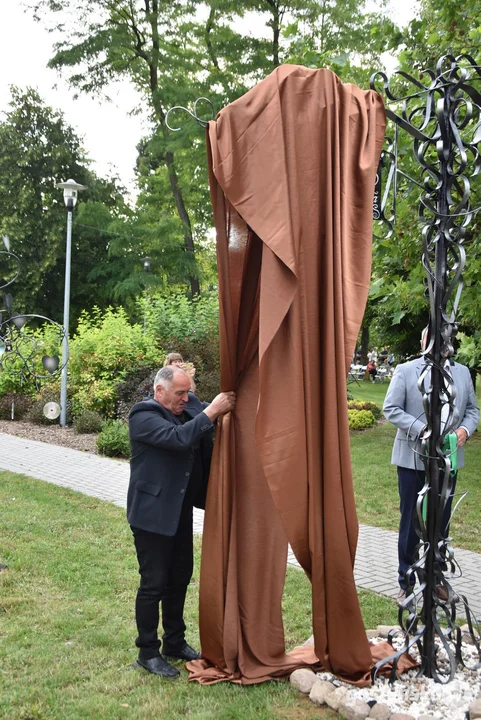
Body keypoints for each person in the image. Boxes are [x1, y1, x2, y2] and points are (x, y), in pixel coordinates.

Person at [127, 365, 236, 677]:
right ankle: (147, 652)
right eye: (180, 393)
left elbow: (208, 422)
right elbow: (178, 439)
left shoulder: (186, 406)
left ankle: (174, 642)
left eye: (188, 392)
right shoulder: (142, 415)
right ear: (159, 391)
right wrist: (213, 410)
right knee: (153, 583)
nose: (185, 398)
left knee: (179, 577)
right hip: (151, 515)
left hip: (178, 512)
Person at [383, 328, 479, 605]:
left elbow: (473, 409)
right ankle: (407, 581)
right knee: (412, 522)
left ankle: (436, 579)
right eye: (432, 338)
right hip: (413, 459)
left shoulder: (462, 372)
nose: (439, 344)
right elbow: (391, 408)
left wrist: (464, 430)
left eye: (444, 339)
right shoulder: (406, 370)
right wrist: (421, 429)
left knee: (441, 522)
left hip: (448, 460)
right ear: (423, 341)